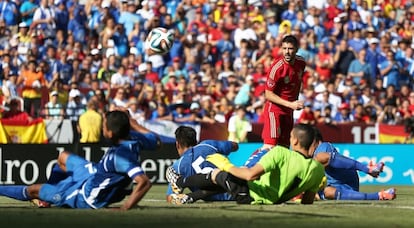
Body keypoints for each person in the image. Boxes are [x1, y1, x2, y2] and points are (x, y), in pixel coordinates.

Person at [0, 110, 159, 210]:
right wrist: (133, 123)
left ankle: (45, 196)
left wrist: (126, 207)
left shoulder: (119, 156)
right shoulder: (135, 139)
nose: (102, 129)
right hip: (95, 173)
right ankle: (48, 197)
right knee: (63, 156)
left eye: (103, 127)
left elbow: (144, 181)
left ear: (110, 133)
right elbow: (155, 140)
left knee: (34, 190)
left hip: (86, 196)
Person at [167, 124, 325, 205]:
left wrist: (227, 166)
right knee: (226, 178)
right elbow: (307, 201)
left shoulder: (280, 152)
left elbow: (251, 175)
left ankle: (180, 181)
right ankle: (189, 196)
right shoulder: (318, 169)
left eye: (290, 136)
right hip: (267, 197)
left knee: (218, 175)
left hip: (251, 194)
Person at [312, 128, 396, 201]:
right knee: (327, 192)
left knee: (319, 157)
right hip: (341, 188)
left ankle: (367, 168)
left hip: (345, 178)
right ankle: (380, 195)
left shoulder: (322, 147)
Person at [165, 126, 238, 204]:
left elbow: (171, 197)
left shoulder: (178, 166)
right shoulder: (208, 145)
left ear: (177, 144)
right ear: (196, 141)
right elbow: (235, 146)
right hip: (233, 192)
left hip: (212, 198)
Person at [260, 34, 306, 150]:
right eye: (284, 48)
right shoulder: (277, 68)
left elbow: (297, 81)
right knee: (270, 147)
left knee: (284, 148)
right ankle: (250, 165)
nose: (287, 52)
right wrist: (291, 104)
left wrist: (294, 101)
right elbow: (268, 94)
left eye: (290, 48)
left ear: (296, 49)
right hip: (275, 109)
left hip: (289, 110)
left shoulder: (301, 63)